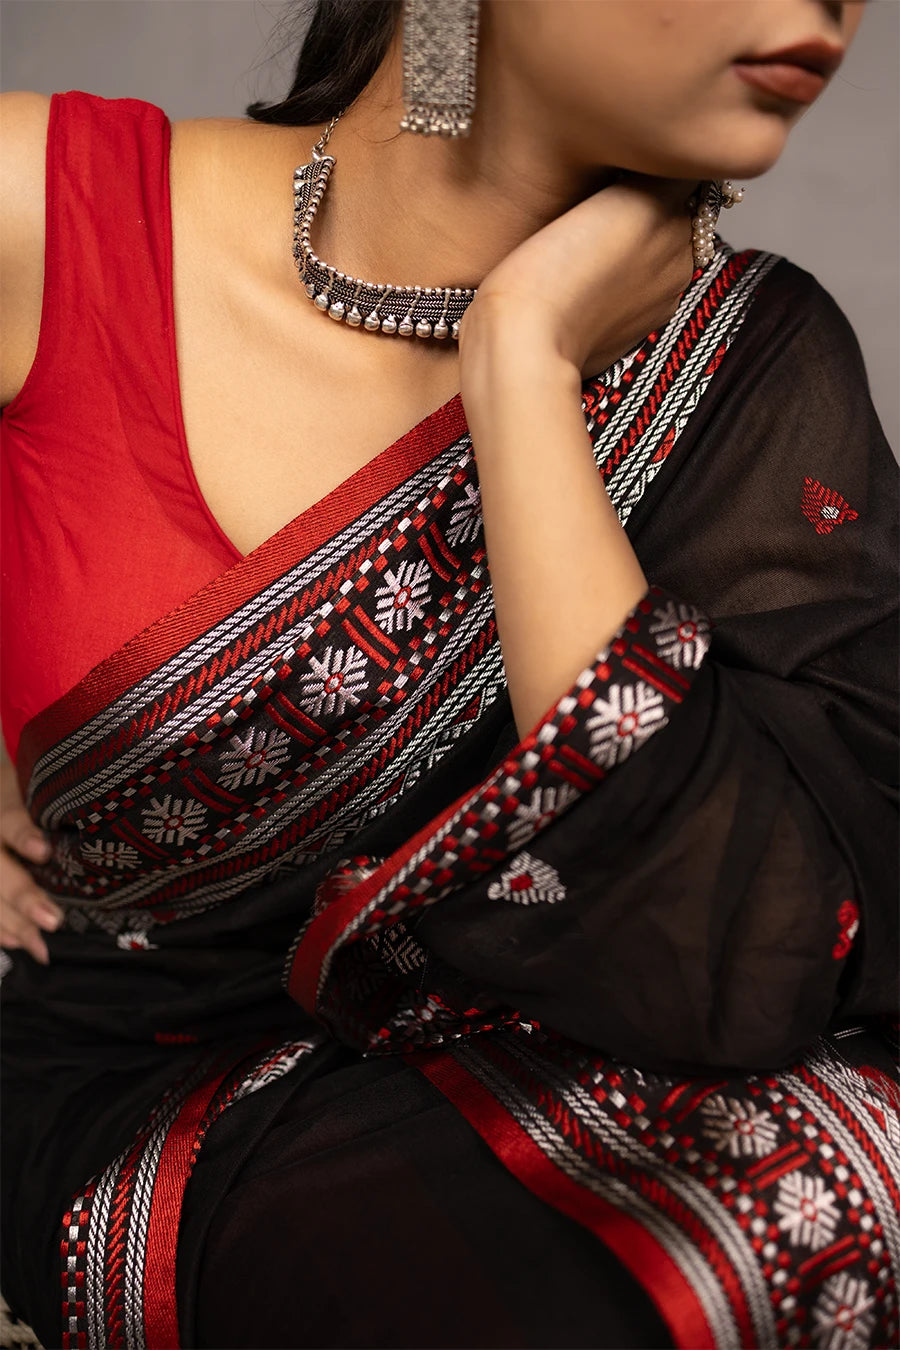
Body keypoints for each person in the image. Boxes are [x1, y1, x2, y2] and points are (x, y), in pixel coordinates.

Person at [1, 0, 897, 1346]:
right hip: (149, 1097)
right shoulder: (50, 213)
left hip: (570, 1075)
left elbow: (727, 962)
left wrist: (522, 361)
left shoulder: (752, 370)